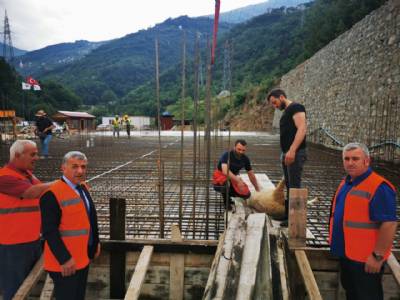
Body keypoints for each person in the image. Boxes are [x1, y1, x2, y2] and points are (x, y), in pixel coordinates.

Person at [329, 142, 397, 300]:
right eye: (346, 159)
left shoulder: (379, 187)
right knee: (352, 293)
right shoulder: (347, 182)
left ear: (367, 161)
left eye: (355, 158)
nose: (350, 162)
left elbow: (389, 224)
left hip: (366, 260)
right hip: (347, 255)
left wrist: (377, 256)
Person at [40, 151, 100, 300]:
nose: (80, 171)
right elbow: (49, 231)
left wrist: (95, 243)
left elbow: (90, 218)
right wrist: (64, 259)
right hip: (65, 264)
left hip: (82, 258)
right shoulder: (52, 194)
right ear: (63, 168)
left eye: (83, 167)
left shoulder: (83, 188)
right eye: (75, 166)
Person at [0, 140, 53, 300]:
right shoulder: (4, 177)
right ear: (17, 155)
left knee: (27, 287)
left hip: (32, 240)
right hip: (12, 245)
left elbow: (43, 193)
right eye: (32, 154)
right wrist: (63, 183)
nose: (36, 157)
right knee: (14, 288)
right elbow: (31, 192)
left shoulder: (28, 175)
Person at [266, 89, 307, 226]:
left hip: (295, 152)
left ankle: (294, 221)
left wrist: (292, 150)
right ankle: (288, 215)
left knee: (295, 186)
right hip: (287, 153)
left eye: (275, 102)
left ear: (282, 97)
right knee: (289, 185)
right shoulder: (287, 111)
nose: (275, 105)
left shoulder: (296, 107)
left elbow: (302, 128)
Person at [213, 139, 260, 210]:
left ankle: (230, 194)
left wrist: (257, 188)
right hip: (221, 176)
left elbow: (251, 175)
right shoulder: (227, 155)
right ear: (234, 147)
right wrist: (238, 181)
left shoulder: (245, 159)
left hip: (233, 177)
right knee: (225, 185)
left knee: (246, 194)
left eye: (243, 150)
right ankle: (226, 202)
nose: (241, 152)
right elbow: (225, 171)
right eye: (239, 149)